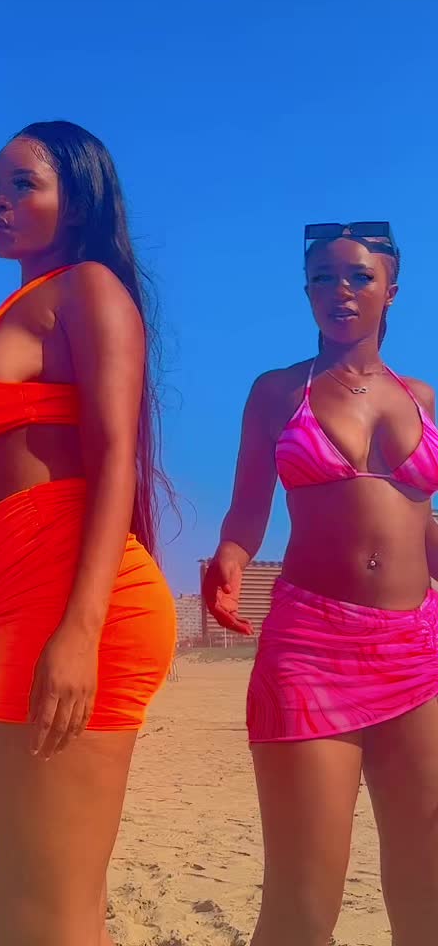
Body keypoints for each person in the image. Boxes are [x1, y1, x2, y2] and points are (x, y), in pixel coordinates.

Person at [0, 120, 177, 946]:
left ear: (78, 200)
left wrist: (79, 628)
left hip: (79, 610)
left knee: (45, 913)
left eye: (22, 185)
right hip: (28, 610)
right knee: (49, 905)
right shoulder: (22, 306)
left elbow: (113, 463)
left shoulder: (88, 289)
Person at [203, 222, 438, 946]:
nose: (341, 290)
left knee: (428, 894)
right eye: (323, 278)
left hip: (418, 653)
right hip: (312, 652)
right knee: (303, 909)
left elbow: (419, 522)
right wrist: (230, 557)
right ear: (306, 293)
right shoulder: (278, 391)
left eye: (360, 276)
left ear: (391, 290)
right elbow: (248, 509)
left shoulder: (421, 397)